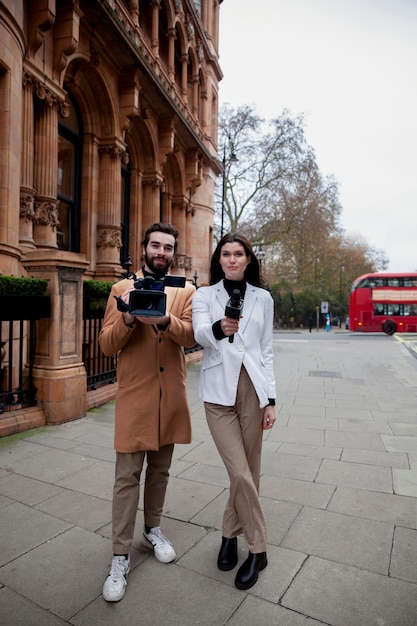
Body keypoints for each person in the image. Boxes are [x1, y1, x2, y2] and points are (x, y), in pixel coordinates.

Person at [99, 223, 196, 602]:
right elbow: (107, 345)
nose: (161, 252)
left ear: (173, 252)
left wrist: (166, 321)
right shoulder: (122, 290)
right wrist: (126, 320)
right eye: (155, 245)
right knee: (126, 478)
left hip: (170, 397)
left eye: (167, 247)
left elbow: (191, 336)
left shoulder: (185, 291)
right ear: (144, 248)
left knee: (161, 470)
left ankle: (152, 529)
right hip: (135, 398)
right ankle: (120, 555)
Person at [192, 232, 276, 591]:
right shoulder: (204, 295)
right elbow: (197, 333)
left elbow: (267, 350)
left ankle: (229, 535)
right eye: (225, 253)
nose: (231, 259)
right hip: (218, 394)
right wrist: (218, 328)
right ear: (219, 259)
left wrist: (270, 400)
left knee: (249, 473)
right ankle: (258, 548)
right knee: (240, 472)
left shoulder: (264, 298)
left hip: (253, 391)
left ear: (248, 259)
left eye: (238, 253)